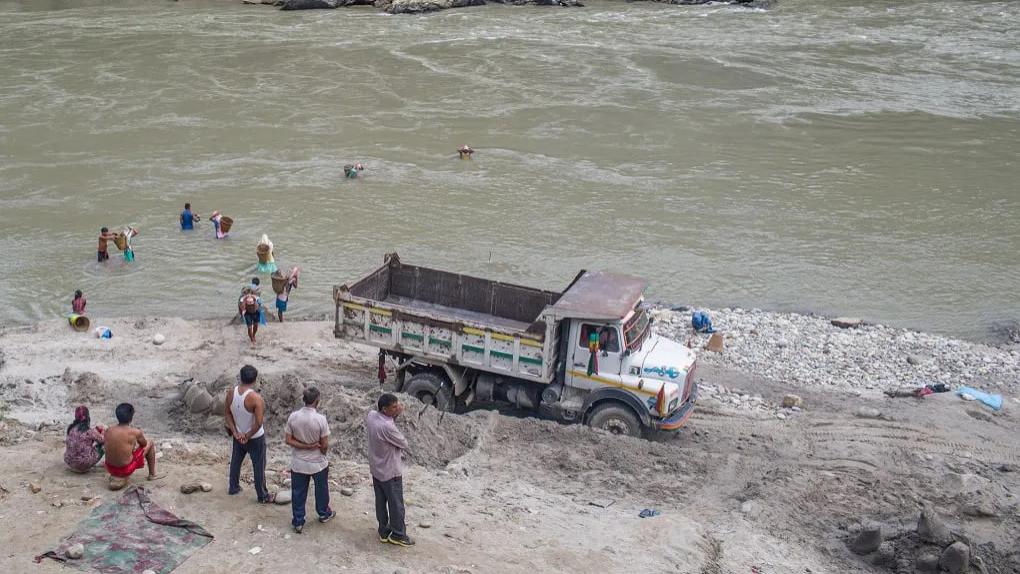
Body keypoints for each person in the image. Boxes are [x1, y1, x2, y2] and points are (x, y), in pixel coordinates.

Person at [366, 393, 414, 547]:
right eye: (394, 407)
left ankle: (383, 530)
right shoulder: (387, 427)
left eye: (397, 405)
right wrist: (397, 415)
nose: (398, 408)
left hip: (376, 469)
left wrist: (395, 414)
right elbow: (404, 443)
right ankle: (398, 534)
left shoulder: (371, 416)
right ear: (384, 409)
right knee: (396, 504)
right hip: (390, 472)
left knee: (380, 502)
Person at [285, 386, 334, 533]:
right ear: (317, 401)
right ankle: (323, 513)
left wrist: (304, 446)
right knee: (321, 490)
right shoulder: (320, 419)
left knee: (298, 492)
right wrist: (318, 450)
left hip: (298, 462)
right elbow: (324, 444)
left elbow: (288, 440)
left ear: (304, 399)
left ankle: (298, 521)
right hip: (317, 463)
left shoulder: (293, 416)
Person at [224, 365, 273, 503]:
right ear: (255, 380)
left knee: (236, 461)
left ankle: (233, 487)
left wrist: (236, 432)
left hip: (238, 435)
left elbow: (227, 413)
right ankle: (262, 495)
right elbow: (258, 423)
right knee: (259, 466)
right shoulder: (256, 398)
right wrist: (247, 435)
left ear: (240, 377)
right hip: (255, 437)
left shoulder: (231, 393)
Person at [103, 403, 161, 490]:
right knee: (150, 443)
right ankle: (152, 475)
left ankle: (116, 475)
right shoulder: (135, 432)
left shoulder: (109, 430)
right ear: (131, 417)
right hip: (125, 469)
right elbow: (144, 444)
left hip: (109, 467)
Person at [64, 406, 105, 473]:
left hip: (69, 461)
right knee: (105, 444)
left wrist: (96, 429)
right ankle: (109, 464)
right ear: (88, 416)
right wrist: (103, 431)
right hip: (83, 464)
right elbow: (102, 440)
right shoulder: (89, 431)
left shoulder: (71, 428)